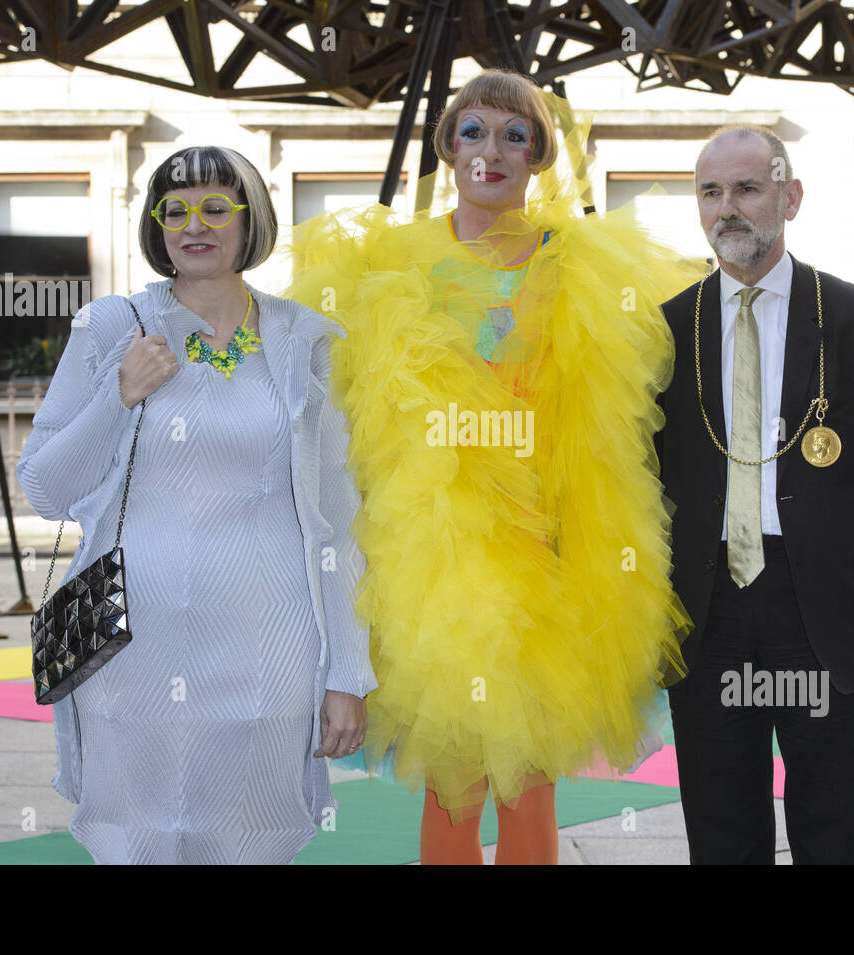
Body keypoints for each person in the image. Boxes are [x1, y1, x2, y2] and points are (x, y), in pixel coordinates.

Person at [287, 70, 703, 864]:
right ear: (447, 147)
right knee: (455, 776)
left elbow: (648, 379)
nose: (492, 151)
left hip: (551, 541)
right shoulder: (392, 258)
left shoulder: (584, 259)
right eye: (473, 132)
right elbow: (323, 390)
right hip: (436, 546)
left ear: (540, 157)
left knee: (530, 777)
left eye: (516, 136)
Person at [15, 145, 374, 864]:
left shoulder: (308, 341)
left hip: (271, 645)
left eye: (217, 206)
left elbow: (339, 520)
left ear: (251, 221)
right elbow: (47, 488)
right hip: (129, 645)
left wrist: (349, 673)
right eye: (174, 210)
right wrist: (118, 397)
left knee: (249, 838)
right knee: (139, 837)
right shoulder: (109, 326)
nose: (194, 224)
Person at [655, 125, 854, 864]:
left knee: (832, 827)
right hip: (707, 609)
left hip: (821, 609)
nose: (727, 208)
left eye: (747, 187)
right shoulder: (665, 329)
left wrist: (837, 538)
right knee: (721, 830)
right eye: (711, 192)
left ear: (790, 195)